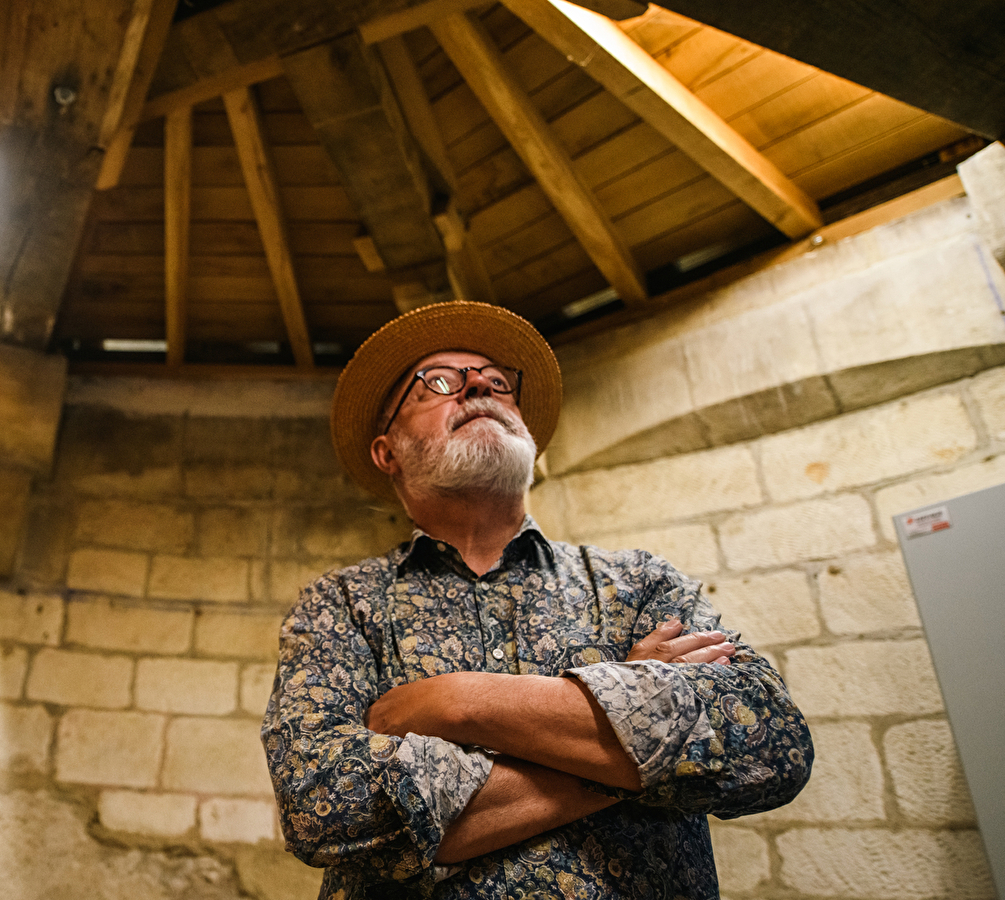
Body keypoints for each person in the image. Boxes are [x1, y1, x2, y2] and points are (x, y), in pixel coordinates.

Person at [262, 301, 812, 899]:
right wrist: (626, 729)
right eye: (439, 383)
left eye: (499, 383)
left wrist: (455, 702)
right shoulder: (341, 604)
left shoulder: (638, 582)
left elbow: (766, 739)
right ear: (387, 451)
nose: (478, 385)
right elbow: (321, 807)